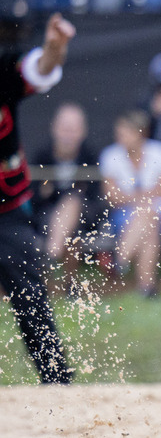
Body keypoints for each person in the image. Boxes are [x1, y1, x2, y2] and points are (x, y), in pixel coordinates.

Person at [0, 13, 76, 384]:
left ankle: (57, 380)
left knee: (29, 294)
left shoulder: (1, 69)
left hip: (7, 208)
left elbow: (38, 70)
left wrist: (54, 46)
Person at [98, 110, 161, 296]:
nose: (120, 137)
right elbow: (111, 197)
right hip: (128, 218)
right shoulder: (110, 155)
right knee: (149, 223)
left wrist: (133, 197)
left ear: (140, 133)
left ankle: (119, 261)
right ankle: (147, 288)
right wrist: (146, 197)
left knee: (148, 215)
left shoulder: (159, 151)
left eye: (125, 132)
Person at [30, 102, 100, 294]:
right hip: (47, 218)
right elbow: (34, 195)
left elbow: (94, 195)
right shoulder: (42, 155)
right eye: (64, 129)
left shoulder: (90, 156)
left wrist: (62, 193)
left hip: (84, 217)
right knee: (69, 229)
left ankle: (51, 254)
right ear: (54, 128)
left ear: (83, 132)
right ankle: (70, 284)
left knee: (72, 203)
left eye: (73, 130)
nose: (68, 135)